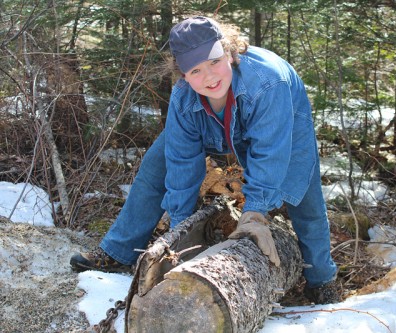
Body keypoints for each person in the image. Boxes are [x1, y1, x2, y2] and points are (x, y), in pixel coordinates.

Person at [70, 16, 338, 304]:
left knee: (304, 194)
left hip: (282, 116)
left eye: (214, 61)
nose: (209, 77)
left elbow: (271, 152)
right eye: (195, 70)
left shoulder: (267, 83)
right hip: (213, 123)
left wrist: (255, 214)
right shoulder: (183, 98)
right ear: (182, 74)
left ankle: (322, 280)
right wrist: (180, 233)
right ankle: (118, 250)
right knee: (156, 165)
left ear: (230, 52)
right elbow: (181, 164)